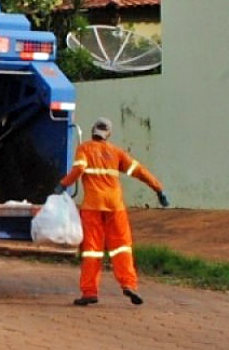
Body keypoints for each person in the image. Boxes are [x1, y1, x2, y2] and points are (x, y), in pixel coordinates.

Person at [57, 117, 169, 306]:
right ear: (108, 134)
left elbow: (79, 170)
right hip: (115, 207)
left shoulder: (85, 148)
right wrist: (158, 189)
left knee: (92, 250)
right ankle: (128, 284)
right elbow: (139, 171)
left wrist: (62, 185)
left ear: (93, 131)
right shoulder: (116, 152)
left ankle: (89, 292)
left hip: (92, 206)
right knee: (122, 246)